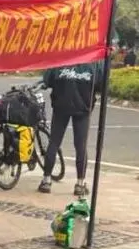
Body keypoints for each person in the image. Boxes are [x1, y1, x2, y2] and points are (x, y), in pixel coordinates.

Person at [39, 61, 101, 197]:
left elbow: (47, 81)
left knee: (54, 143)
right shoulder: (93, 64)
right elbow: (100, 84)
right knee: (81, 146)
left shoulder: (61, 60)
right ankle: (80, 183)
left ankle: (46, 180)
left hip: (61, 107)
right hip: (83, 107)